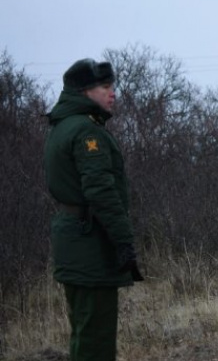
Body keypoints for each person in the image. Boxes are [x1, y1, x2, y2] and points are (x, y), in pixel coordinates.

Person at [44, 58, 144, 361]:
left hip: (72, 239)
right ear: (85, 91)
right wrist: (123, 240)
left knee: (83, 331)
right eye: (105, 87)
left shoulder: (63, 126)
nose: (112, 93)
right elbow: (101, 192)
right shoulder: (88, 133)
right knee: (96, 338)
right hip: (90, 243)